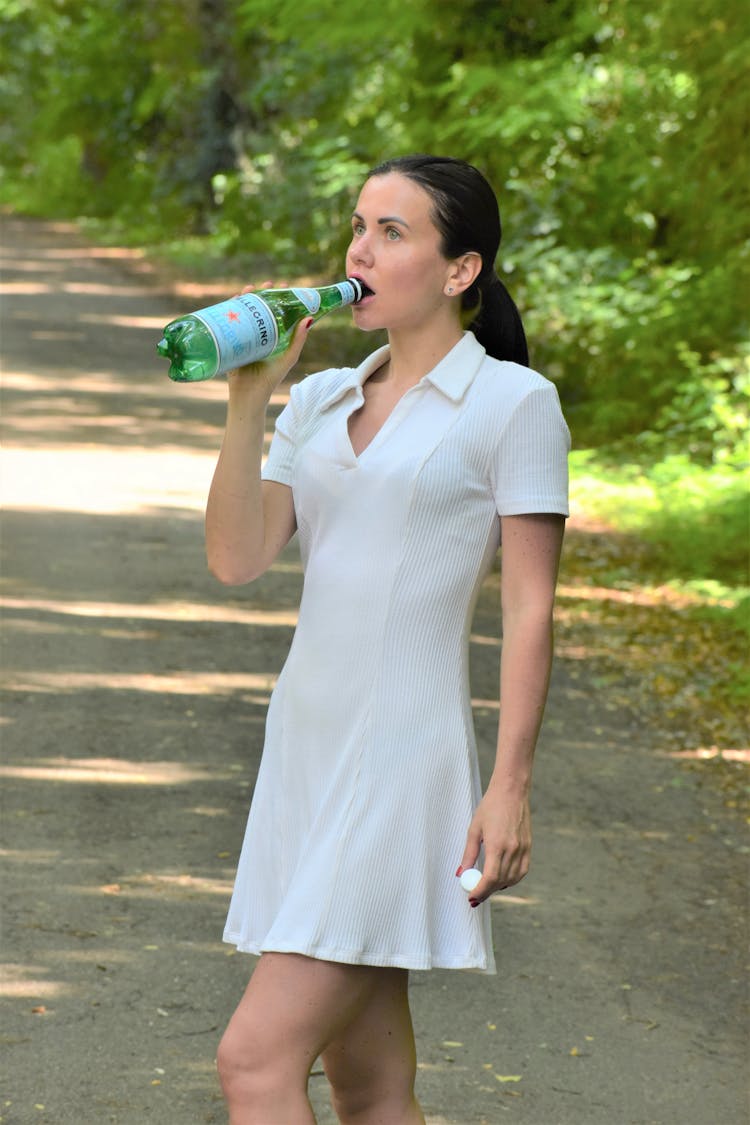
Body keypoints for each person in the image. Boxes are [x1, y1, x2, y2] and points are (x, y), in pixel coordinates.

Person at [205, 153, 570, 1124]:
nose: (361, 250)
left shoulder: (512, 407)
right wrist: (250, 403)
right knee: (371, 1087)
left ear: (461, 271)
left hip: (399, 769)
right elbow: (238, 556)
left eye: (393, 232)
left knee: (252, 1062)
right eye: (359, 226)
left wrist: (510, 786)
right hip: (305, 758)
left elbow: (532, 608)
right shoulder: (320, 399)